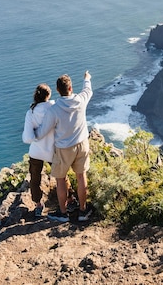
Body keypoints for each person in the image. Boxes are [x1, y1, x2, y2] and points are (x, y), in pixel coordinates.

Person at [34, 70, 93, 223]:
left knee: (60, 179)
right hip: (82, 144)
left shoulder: (54, 110)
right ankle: (82, 210)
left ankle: (63, 213)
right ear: (71, 88)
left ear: (58, 91)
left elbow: (42, 132)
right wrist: (86, 78)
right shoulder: (81, 100)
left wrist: (31, 130)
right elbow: (88, 90)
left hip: (64, 148)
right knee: (81, 177)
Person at [22, 83, 55, 218]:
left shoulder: (31, 112)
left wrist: (37, 134)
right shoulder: (54, 108)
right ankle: (69, 199)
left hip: (36, 151)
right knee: (61, 176)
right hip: (52, 150)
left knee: (35, 180)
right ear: (48, 95)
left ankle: (38, 205)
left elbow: (27, 138)